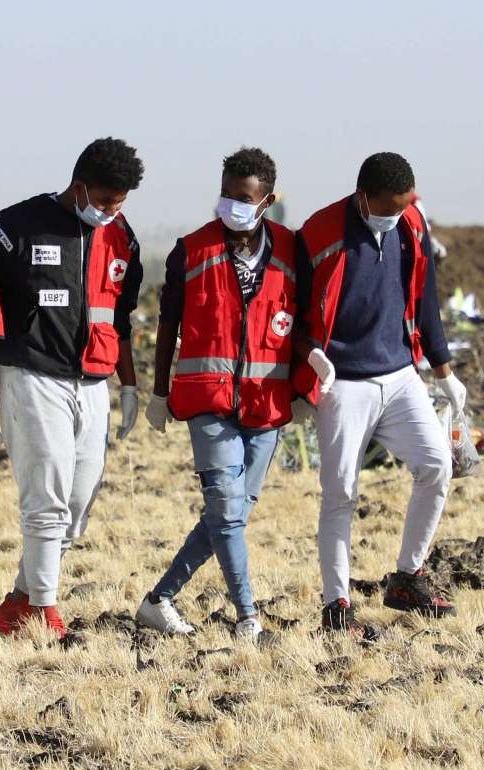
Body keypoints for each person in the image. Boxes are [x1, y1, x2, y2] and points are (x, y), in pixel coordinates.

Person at [0, 138, 145, 638]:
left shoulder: (123, 238)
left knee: (78, 500)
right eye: (103, 202)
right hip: (31, 373)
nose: (110, 213)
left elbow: (120, 317)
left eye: (119, 205)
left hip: (93, 380)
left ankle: (20, 601)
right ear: (79, 188)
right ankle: (46, 613)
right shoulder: (19, 224)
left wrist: (131, 384)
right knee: (47, 494)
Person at [293, 152, 465, 640]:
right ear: (363, 197)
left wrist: (445, 371)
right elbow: (294, 313)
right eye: (388, 209)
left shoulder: (410, 221)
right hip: (342, 383)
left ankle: (407, 578)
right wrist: (309, 362)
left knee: (436, 465)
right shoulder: (319, 232)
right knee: (341, 493)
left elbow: (426, 297)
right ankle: (337, 607)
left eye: (404, 207)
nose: (397, 217)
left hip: (401, 374)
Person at [137, 148, 298, 640]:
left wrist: (309, 385)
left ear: (266, 200)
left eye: (243, 197)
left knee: (230, 515)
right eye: (226, 194)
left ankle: (158, 600)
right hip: (206, 400)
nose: (232, 205)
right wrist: (159, 391)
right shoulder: (190, 251)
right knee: (228, 513)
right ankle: (248, 617)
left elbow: (308, 323)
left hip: (266, 405)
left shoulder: (293, 252)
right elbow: (168, 326)